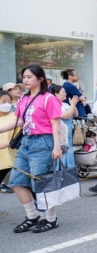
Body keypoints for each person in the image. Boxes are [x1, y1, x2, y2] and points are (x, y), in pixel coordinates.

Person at [0, 65, 63, 233]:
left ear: (40, 79)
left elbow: (55, 124)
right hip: (25, 142)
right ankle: (32, 216)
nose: (25, 80)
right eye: (24, 77)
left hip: (43, 142)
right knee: (16, 182)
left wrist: (57, 147)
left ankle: (51, 219)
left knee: (42, 183)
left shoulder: (48, 98)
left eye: (29, 77)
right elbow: (20, 122)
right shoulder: (24, 99)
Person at [51, 85, 78, 168]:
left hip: (68, 132)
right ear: (56, 94)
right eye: (63, 92)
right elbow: (66, 115)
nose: (65, 94)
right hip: (61, 134)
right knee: (63, 151)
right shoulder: (55, 104)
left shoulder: (65, 104)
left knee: (69, 150)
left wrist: (73, 105)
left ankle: (69, 173)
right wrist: (72, 105)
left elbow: (76, 114)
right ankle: (62, 173)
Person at [0, 91, 17, 194]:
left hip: (10, 155)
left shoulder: (15, 116)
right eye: (3, 101)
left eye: (9, 101)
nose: (6, 104)